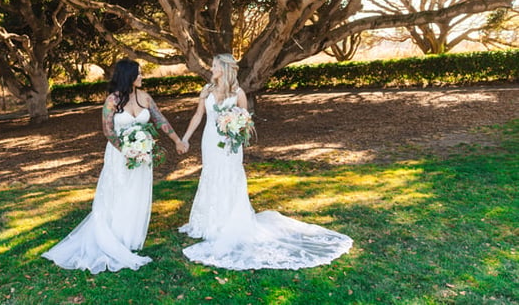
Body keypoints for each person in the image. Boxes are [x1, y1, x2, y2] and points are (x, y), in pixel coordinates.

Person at [178, 54, 353, 270]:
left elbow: (246, 119)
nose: (211, 68)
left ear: (224, 68)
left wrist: (237, 127)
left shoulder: (238, 92)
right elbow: (197, 116)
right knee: (211, 175)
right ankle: (209, 221)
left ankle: (229, 218)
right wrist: (185, 138)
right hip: (210, 141)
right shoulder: (206, 91)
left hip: (230, 144)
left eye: (214, 65)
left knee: (231, 176)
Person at [42, 59, 186, 274]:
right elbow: (108, 131)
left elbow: (159, 119)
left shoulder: (145, 97)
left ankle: (130, 236)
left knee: (136, 193)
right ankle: (113, 235)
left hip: (143, 156)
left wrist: (176, 140)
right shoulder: (112, 101)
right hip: (120, 155)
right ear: (128, 76)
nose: (142, 77)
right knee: (117, 193)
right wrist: (128, 150)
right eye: (138, 74)